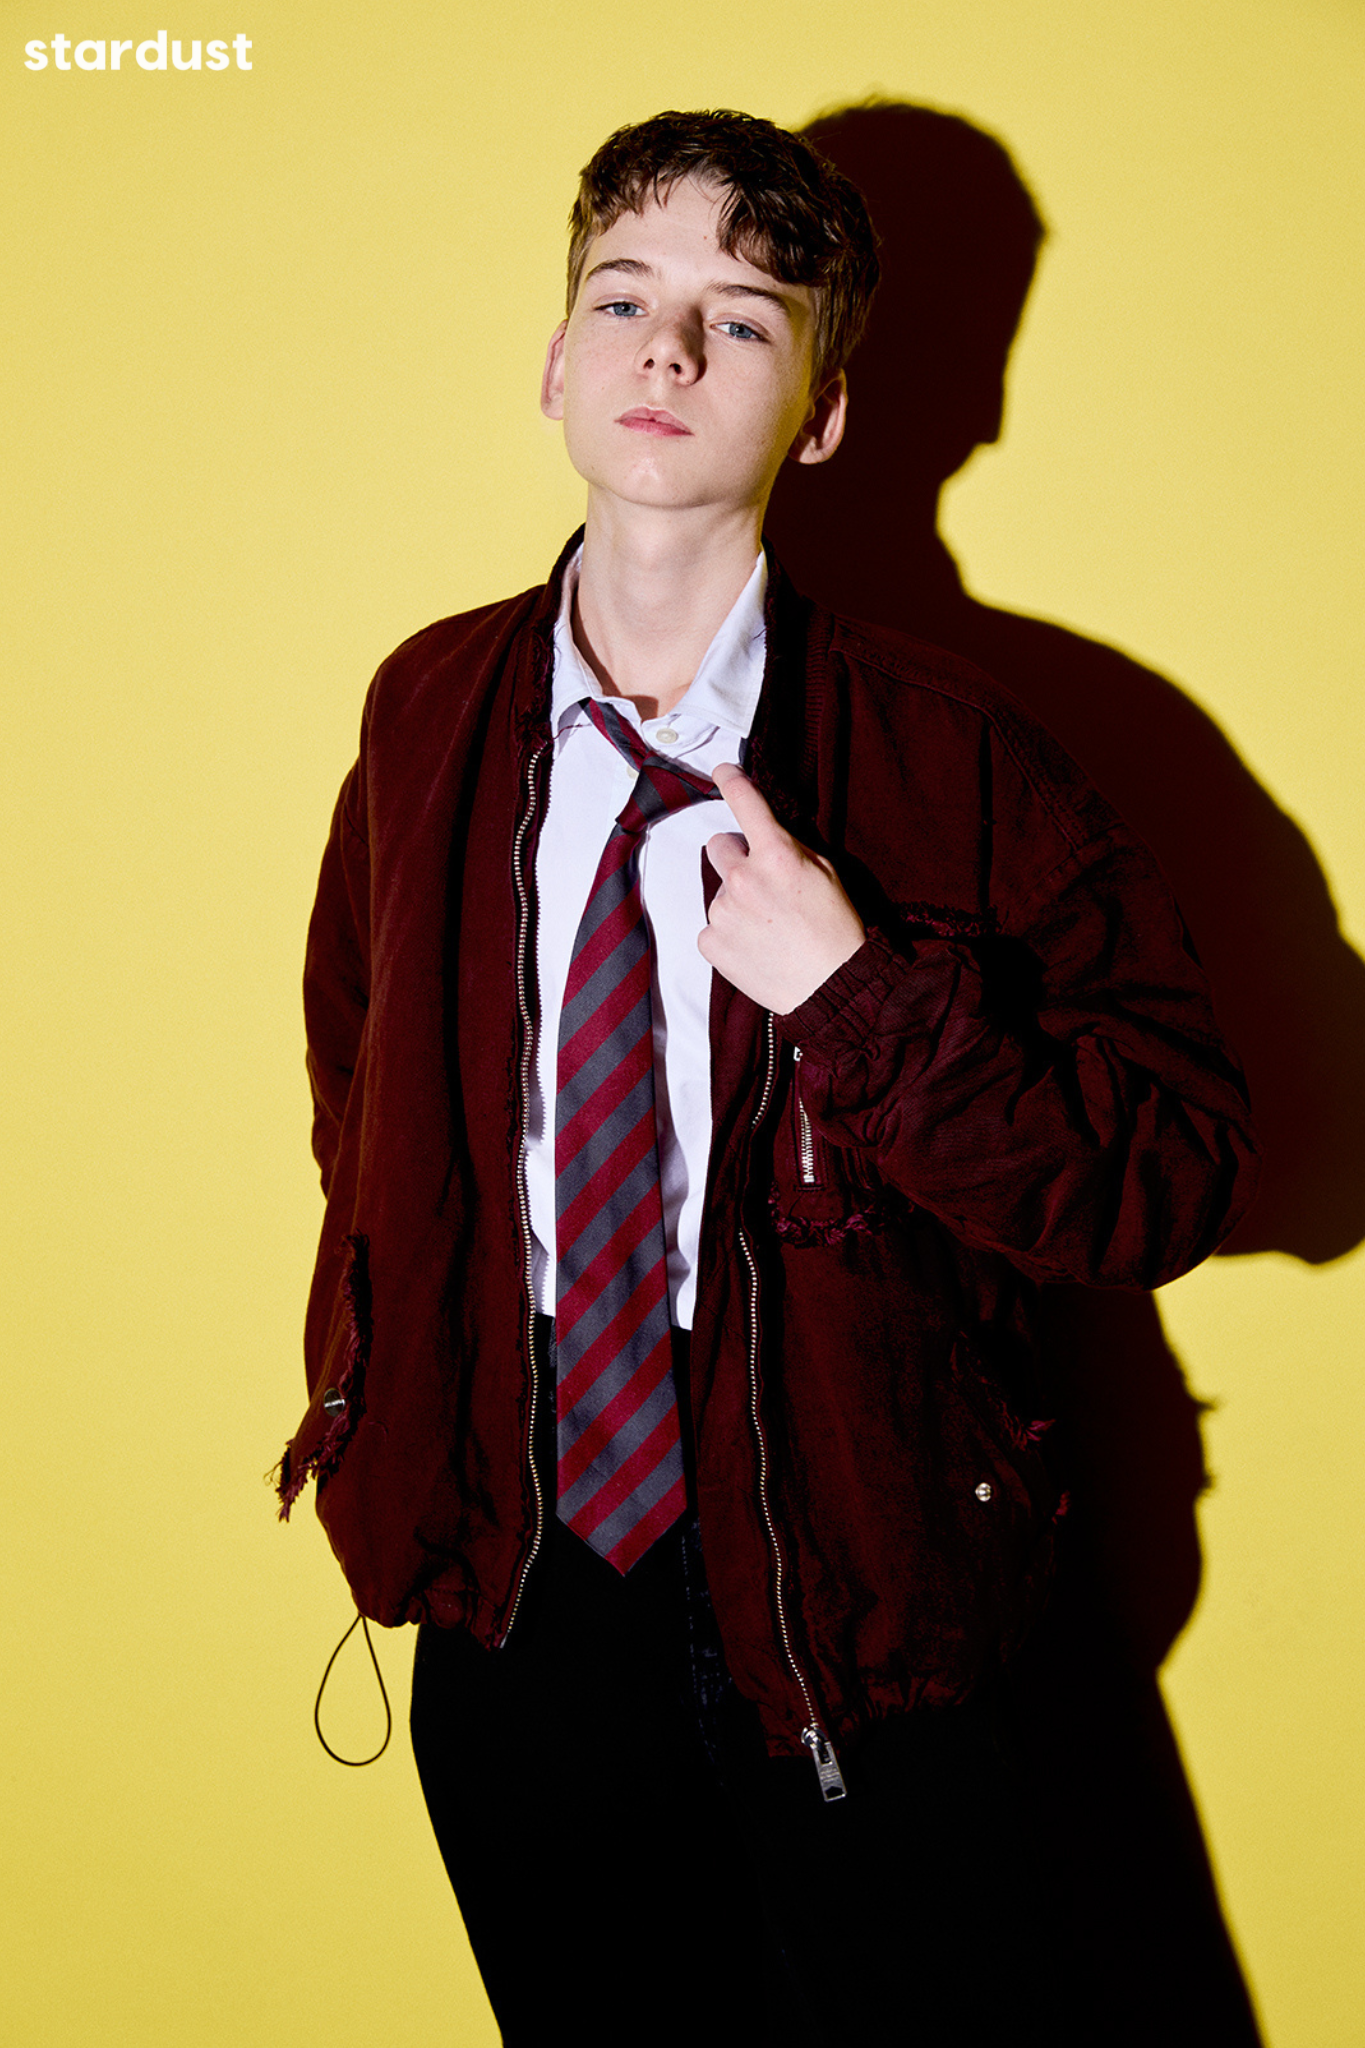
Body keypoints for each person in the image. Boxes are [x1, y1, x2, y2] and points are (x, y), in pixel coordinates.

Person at [277, 109, 1259, 2046]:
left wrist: (863, 1001)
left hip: (852, 1589)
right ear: (553, 361)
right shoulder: (428, 708)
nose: (665, 347)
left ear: (821, 414)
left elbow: (1177, 1176)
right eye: (622, 298)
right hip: (516, 1572)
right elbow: (359, 1077)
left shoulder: (957, 758)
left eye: (741, 320)